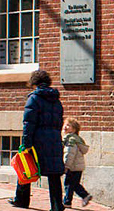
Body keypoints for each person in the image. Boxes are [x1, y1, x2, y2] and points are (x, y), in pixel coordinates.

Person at [11, 70, 65, 211]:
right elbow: (59, 122)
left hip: (38, 140)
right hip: (54, 139)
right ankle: (57, 206)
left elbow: (29, 123)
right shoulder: (57, 100)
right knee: (54, 174)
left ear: (34, 82)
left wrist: (26, 143)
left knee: (25, 166)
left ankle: (21, 200)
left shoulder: (34, 99)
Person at [62, 117, 93, 208]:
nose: (65, 127)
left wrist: (66, 166)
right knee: (73, 184)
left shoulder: (71, 139)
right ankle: (70, 201)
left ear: (74, 129)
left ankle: (69, 201)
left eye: (69, 125)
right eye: (65, 125)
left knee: (69, 184)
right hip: (78, 166)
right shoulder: (76, 139)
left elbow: (70, 153)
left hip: (73, 166)